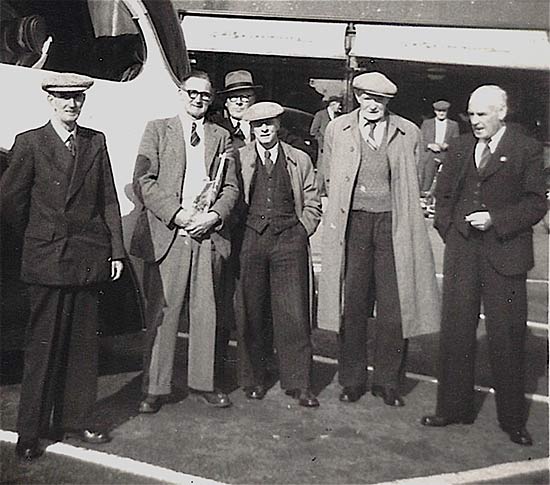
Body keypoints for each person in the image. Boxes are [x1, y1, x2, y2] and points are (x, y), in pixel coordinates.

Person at [0, 73, 124, 461]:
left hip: (87, 258)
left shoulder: (95, 141)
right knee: (41, 348)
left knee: (83, 347)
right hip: (48, 260)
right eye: (64, 99)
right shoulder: (30, 143)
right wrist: (41, 238)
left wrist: (116, 252)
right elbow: (10, 203)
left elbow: (108, 200)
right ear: (50, 101)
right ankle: (30, 431)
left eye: (77, 99)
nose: (71, 105)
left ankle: (77, 420)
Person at [421, 85, 547, 446]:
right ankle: (451, 408)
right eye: (471, 115)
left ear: (501, 113)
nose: (475, 121)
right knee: (456, 331)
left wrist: (496, 220)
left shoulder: (526, 149)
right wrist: (450, 229)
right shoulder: (460, 147)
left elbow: (536, 203)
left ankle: (512, 420)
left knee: (507, 336)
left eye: (482, 115)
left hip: (505, 255)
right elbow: (442, 194)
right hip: (463, 252)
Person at [317, 72, 440, 406]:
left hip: (392, 225)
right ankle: (352, 380)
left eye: (380, 99)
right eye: (367, 97)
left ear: (389, 102)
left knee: (394, 308)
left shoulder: (408, 132)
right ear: (357, 96)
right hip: (353, 224)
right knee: (352, 305)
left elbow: (414, 180)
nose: (373, 105)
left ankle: (388, 381)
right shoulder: (337, 129)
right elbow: (327, 174)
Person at [131, 70, 239, 413]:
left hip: (206, 235)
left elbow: (232, 188)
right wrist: (178, 216)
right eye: (192, 93)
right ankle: (155, 387)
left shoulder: (221, 136)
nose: (198, 99)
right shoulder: (157, 129)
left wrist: (214, 217)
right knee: (164, 313)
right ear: (181, 93)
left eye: (205, 96)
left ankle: (203, 383)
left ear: (211, 100)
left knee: (206, 312)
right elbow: (143, 181)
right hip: (171, 234)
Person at [234, 102, 322, 407]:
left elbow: (313, 200)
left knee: (293, 313)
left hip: (288, 240)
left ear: (278, 125)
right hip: (251, 239)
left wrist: (301, 231)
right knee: (252, 311)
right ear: (251, 128)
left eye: (269, 123)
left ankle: (299, 383)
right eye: (259, 125)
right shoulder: (239, 158)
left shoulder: (299, 159)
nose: (265, 129)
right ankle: (254, 379)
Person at [419, 100, 459, 195]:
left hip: (446, 155)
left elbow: (457, 142)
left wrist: (448, 145)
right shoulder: (427, 123)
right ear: (435, 111)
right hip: (430, 156)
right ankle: (424, 198)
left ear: (447, 111)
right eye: (439, 111)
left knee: (444, 180)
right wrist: (430, 145)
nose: (441, 113)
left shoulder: (453, 125)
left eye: (444, 111)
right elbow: (420, 140)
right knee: (427, 179)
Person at [215, 70, 262, 149]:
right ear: (226, 102)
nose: (239, 102)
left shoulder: (265, 125)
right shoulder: (217, 128)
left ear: (253, 100)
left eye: (244, 97)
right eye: (233, 97)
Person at [309, 95, 342, 195]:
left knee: (334, 169)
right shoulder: (320, 114)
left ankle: (330, 192)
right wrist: (322, 142)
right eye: (338, 105)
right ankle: (318, 193)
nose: (340, 107)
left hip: (336, 148)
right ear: (332, 104)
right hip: (323, 148)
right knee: (322, 170)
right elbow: (313, 131)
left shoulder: (339, 117)